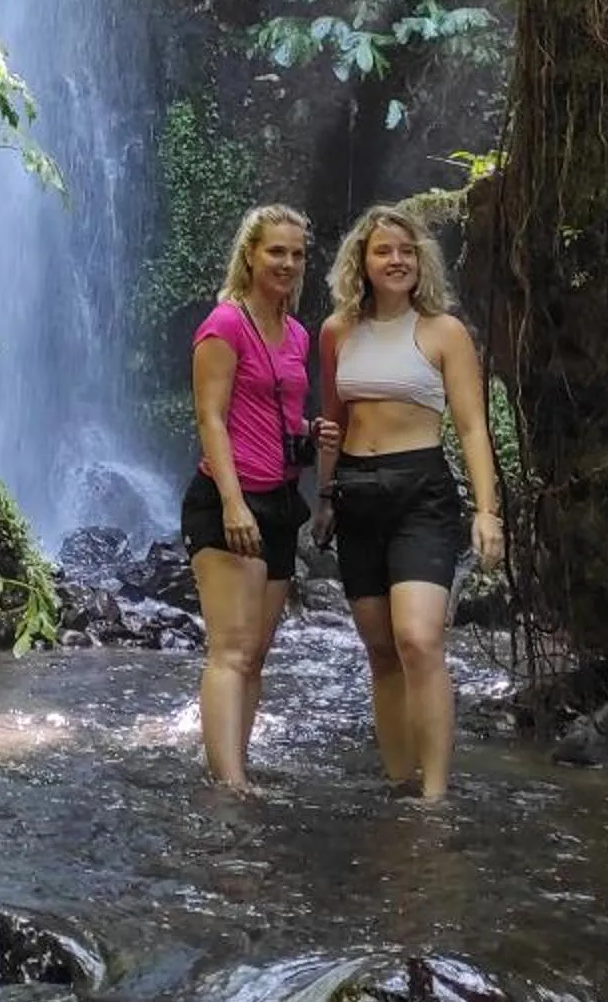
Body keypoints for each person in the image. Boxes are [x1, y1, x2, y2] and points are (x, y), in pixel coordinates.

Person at [313, 204, 503, 803]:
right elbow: (332, 423)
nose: (395, 260)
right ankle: (399, 781)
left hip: (421, 491)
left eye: (405, 250)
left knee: (419, 639)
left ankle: (435, 795)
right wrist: (323, 499)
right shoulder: (336, 332)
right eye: (382, 251)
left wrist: (486, 511)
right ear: (362, 263)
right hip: (356, 493)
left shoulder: (444, 332)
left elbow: (472, 428)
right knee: (379, 650)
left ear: (420, 260)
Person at [179, 203, 315, 791]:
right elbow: (210, 417)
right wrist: (233, 503)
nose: (286, 262)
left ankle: (236, 765)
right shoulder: (224, 324)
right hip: (229, 499)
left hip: (281, 503)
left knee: (255, 654)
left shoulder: (298, 333)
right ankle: (229, 785)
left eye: (296, 253)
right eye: (275, 251)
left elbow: (274, 412)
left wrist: (309, 436)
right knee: (230, 651)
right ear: (250, 255)